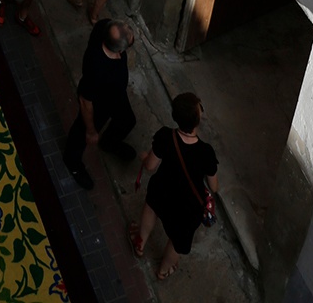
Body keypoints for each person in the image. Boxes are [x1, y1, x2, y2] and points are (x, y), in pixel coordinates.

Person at [133, 93, 219, 281]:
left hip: (162, 190)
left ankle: (140, 243)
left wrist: (145, 156)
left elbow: (150, 166)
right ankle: (163, 271)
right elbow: (214, 186)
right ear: (198, 119)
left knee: (151, 209)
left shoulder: (165, 136)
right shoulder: (206, 153)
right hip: (186, 208)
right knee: (177, 241)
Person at [64, 21, 137, 189]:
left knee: (127, 120)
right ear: (120, 50)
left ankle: (109, 143)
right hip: (98, 104)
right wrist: (91, 131)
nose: (129, 30)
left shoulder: (103, 28)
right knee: (80, 133)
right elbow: (85, 101)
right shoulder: (98, 70)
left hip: (116, 96)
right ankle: (72, 162)